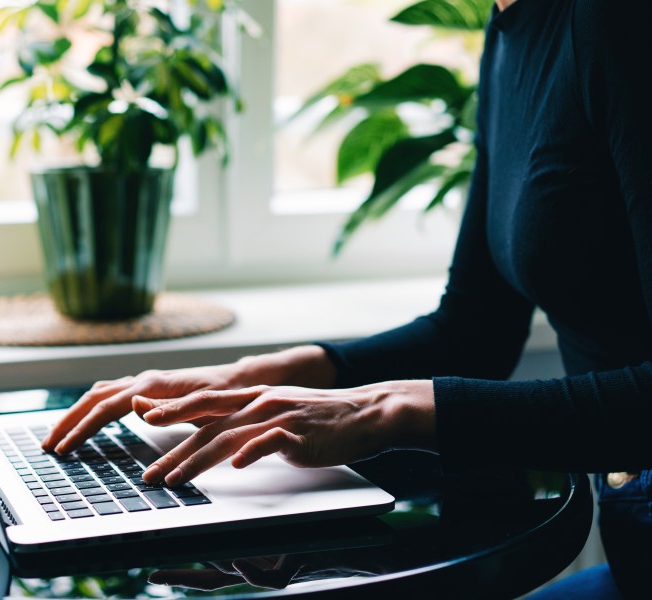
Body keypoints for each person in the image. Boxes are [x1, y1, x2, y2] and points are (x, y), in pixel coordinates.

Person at [43, 0, 652, 596]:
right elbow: (475, 329)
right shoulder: (512, 26)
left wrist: (383, 409)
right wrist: (256, 376)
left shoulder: (618, 21)